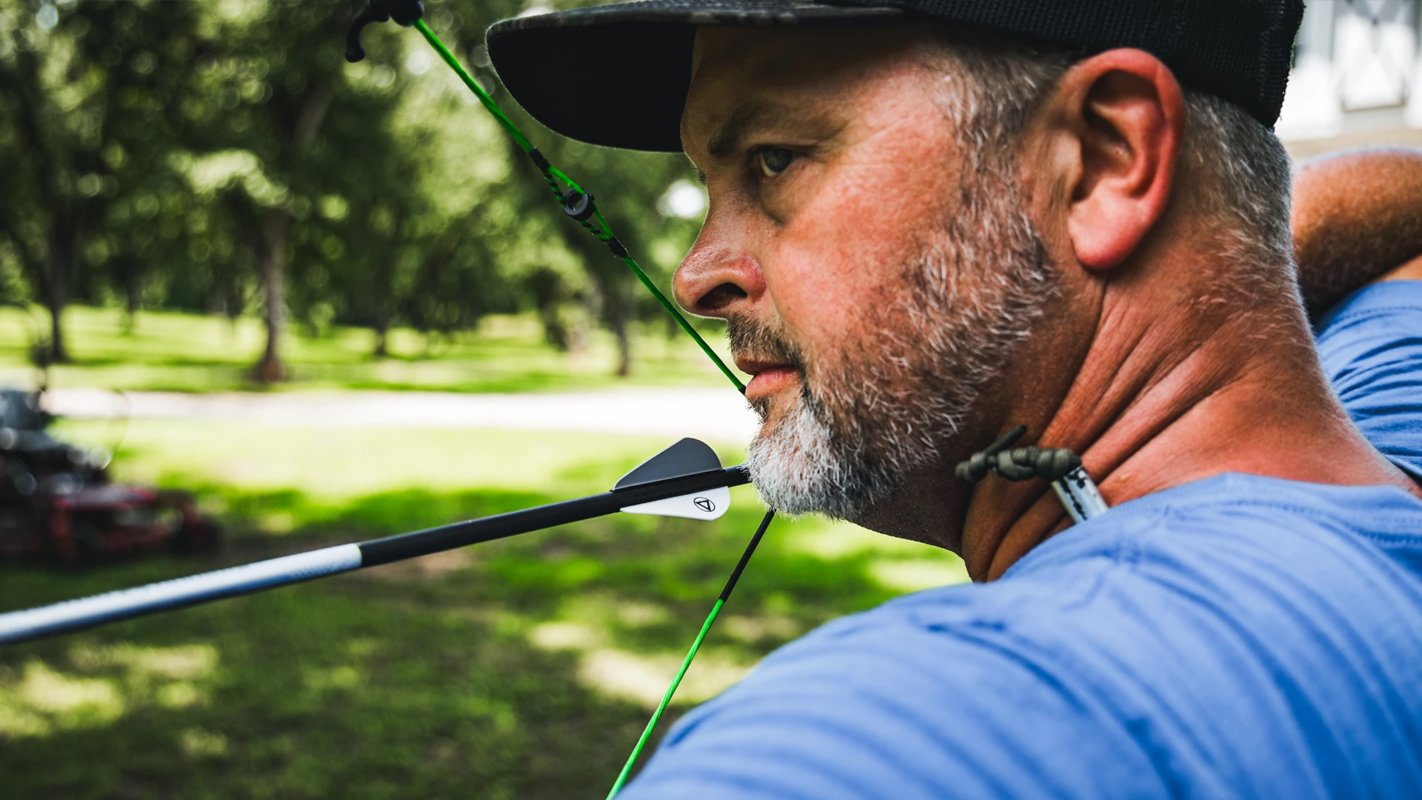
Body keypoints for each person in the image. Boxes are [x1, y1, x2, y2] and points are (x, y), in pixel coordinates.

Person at [487, 1, 1422, 796]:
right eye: (706, 182)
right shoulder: (1386, 448)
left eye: (772, 161)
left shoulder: (894, 741)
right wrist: (1201, 283)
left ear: (1103, 160)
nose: (698, 274)